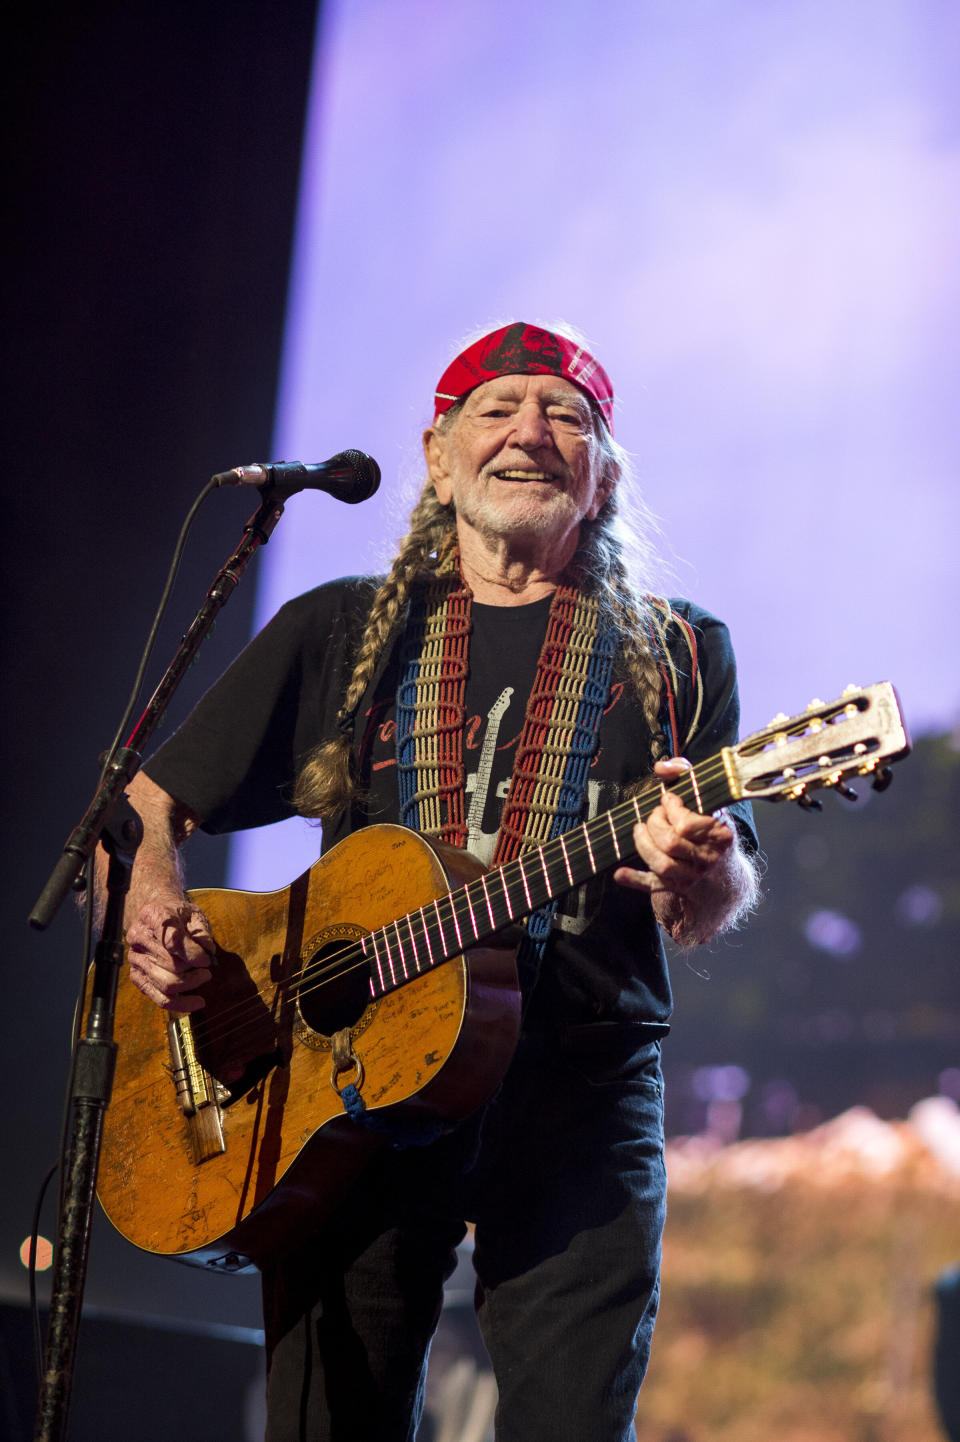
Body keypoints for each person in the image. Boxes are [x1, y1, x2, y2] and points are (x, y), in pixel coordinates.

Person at [117, 321, 760, 1441]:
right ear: (437, 449)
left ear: (603, 472)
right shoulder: (343, 626)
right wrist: (155, 890)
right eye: (497, 408)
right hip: (347, 1089)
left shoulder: (682, 649)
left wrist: (697, 872)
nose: (530, 433)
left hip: (578, 1090)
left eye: (566, 415)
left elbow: (702, 908)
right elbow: (150, 800)